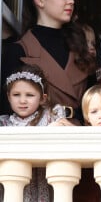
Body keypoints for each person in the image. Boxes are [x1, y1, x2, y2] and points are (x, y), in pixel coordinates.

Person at [1, 0, 95, 124]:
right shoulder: (19, 50)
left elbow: (98, 96)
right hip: (39, 140)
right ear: (39, 0)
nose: (71, 1)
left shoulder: (81, 45)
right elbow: (7, 109)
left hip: (80, 136)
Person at [0, 64, 71, 202]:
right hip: (13, 181)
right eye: (16, 95)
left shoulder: (50, 116)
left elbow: (72, 132)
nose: (22, 100)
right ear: (8, 97)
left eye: (30, 95)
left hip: (42, 180)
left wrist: (58, 126)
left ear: (43, 98)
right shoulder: (5, 123)